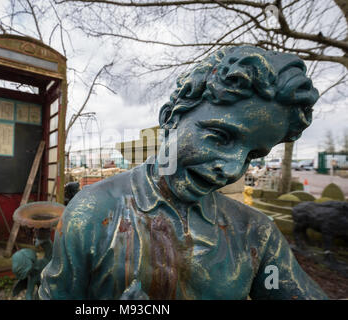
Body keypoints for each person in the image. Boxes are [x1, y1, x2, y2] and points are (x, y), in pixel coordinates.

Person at [39, 46, 328, 300]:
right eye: (219, 136)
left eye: (253, 155)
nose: (232, 170)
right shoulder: (91, 213)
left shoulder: (257, 234)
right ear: (171, 118)